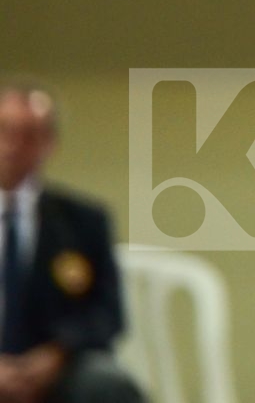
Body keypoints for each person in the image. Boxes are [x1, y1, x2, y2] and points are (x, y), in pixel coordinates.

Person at [0, 81, 144, 403]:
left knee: (109, 386)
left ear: (49, 143)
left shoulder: (82, 221)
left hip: (56, 369)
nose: (12, 145)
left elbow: (107, 313)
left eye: (29, 135)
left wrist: (56, 355)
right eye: (4, 131)